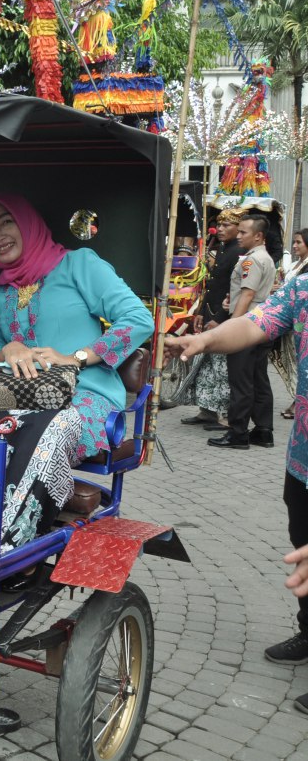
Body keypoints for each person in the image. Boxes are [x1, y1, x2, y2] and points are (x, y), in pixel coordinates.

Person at [0, 193, 154, 550]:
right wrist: (5, 349)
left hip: (85, 396)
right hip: (20, 397)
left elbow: (138, 320)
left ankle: (12, 548)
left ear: (28, 223)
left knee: (50, 430)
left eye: (7, 222)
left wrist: (76, 356)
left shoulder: (78, 265)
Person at [167, 278, 308, 714]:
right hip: (302, 455)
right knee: (301, 542)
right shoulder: (303, 288)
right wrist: (204, 339)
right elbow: (254, 324)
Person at [210, 213, 277, 450]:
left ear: (258, 236)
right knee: (259, 379)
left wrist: (232, 326)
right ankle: (263, 431)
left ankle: (237, 433)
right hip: (262, 323)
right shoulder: (265, 258)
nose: (238, 236)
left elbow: (247, 294)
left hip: (247, 325)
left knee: (241, 380)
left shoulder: (252, 260)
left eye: (243, 232)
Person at [181, 209, 243, 429]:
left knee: (221, 367)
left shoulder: (239, 253)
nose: (221, 229)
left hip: (224, 318)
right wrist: (201, 312)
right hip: (211, 311)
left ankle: (225, 416)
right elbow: (213, 284)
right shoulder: (224, 249)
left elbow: (235, 292)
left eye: (227, 225)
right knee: (206, 365)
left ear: (239, 228)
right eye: (220, 225)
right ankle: (207, 411)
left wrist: (219, 317)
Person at [274, 227, 308, 418]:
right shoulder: (297, 264)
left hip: (301, 321)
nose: (294, 246)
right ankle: (297, 399)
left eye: (299, 242)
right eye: (294, 242)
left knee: (301, 362)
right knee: (293, 361)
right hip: (290, 319)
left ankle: (299, 403)